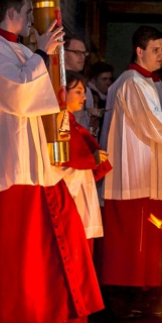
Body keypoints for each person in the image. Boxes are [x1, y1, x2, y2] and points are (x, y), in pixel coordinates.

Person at [0, 0, 102, 323]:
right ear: (13, 14)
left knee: (51, 245)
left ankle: (49, 312)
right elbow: (19, 96)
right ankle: (17, 316)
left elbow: (43, 99)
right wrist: (41, 53)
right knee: (14, 256)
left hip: (34, 164)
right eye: (28, 13)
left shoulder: (17, 50)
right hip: (7, 166)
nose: (32, 21)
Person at [98, 25, 162, 316]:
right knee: (131, 240)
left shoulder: (155, 84)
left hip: (151, 173)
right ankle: (126, 298)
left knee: (152, 237)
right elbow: (155, 125)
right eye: (156, 49)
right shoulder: (131, 82)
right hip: (133, 173)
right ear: (139, 51)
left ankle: (148, 295)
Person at [61, 70, 111, 247]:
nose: (84, 98)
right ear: (62, 92)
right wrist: (89, 159)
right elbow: (59, 165)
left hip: (81, 193)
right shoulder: (59, 123)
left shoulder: (71, 123)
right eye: (78, 92)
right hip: (71, 200)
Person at [64, 36, 97, 128]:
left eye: (84, 53)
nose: (82, 57)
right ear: (63, 53)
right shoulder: (54, 83)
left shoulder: (87, 90)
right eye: (77, 52)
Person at [85, 61, 113, 137]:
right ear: (94, 80)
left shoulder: (105, 97)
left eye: (109, 79)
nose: (108, 83)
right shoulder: (88, 95)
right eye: (104, 79)